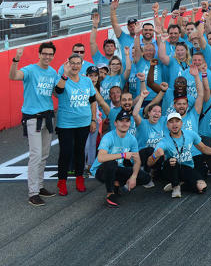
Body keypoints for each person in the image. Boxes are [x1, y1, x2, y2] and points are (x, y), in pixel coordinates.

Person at [9, 44, 59, 206]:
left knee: (44, 154)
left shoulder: (52, 72)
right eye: (44, 54)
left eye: (50, 54)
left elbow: (54, 92)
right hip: (33, 118)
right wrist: (16, 59)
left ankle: (40, 186)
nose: (47, 57)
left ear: (53, 56)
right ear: (39, 54)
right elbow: (13, 76)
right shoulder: (30, 70)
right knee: (36, 154)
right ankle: (33, 193)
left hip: (48, 116)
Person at [53, 53, 97, 196]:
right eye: (73, 63)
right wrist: (64, 75)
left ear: (82, 65)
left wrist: (93, 119)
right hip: (66, 123)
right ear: (68, 64)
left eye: (78, 63)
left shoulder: (87, 81)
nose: (75, 66)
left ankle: (79, 179)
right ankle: (62, 182)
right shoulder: (62, 79)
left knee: (80, 152)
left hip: (84, 123)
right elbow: (58, 91)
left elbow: (93, 101)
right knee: (66, 152)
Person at [149, 111, 211, 198]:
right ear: (167, 125)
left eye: (177, 121)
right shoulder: (164, 141)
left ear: (181, 123)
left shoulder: (190, 134)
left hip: (186, 168)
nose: (174, 124)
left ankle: (181, 185)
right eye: (171, 122)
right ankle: (175, 187)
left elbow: (203, 148)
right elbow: (149, 163)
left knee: (202, 187)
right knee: (172, 161)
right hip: (171, 169)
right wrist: (155, 155)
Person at [91, 111, 150, 207]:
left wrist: (133, 177)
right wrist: (122, 155)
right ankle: (110, 194)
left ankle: (117, 184)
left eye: (127, 121)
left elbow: (137, 160)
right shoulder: (108, 137)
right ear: (115, 123)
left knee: (145, 178)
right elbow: (101, 158)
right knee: (111, 163)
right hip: (101, 170)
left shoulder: (132, 139)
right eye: (121, 121)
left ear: (130, 124)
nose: (124, 123)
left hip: (118, 168)